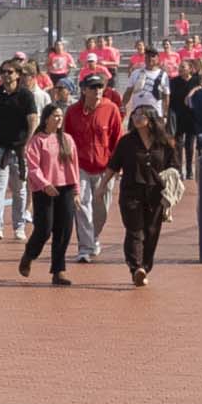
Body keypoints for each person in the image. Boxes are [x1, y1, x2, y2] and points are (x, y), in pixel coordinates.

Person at [113, 95, 177, 286]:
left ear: (150, 118)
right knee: (135, 230)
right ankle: (136, 267)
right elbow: (114, 165)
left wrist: (171, 185)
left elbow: (173, 166)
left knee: (151, 231)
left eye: (140, 114)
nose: (136, 117)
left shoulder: (164, 143)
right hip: (131, 192)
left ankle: (145, 267)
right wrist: (101, 187)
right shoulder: (126, 142)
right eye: (134, 114)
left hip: (155, 194)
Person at [18, 100, 82, 285]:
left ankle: (59, 270)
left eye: (61, 116)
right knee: (44, 229)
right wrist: (45, 184)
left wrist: (76, 191)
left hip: (66, 187)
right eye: (55, 116)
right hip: (44, 190)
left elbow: (74, 166)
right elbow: (33, 167)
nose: (59, 119)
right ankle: (29, 254)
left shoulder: (67, 140)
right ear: (46, 118)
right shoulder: (37, 141)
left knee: (64, 230)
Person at [65, 77, 124, 264]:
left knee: (102, 210)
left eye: (100, 87)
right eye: (93, 87)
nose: (98, 90)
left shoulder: (111, 109)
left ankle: (93, 237)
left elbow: (117, 138)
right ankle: (85, 247)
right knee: (81, 205)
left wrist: (117, 166)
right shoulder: (73, 111)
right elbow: (66, 140)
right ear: (84, 90)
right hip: (80, 166)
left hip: (104, 167)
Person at [0, 61, 40, 240]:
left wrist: (28, 143)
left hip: (19, 149)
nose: (6, 75)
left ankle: (19, 225)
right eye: (3, 72)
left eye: (10, 72)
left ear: (18, 75)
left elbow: (33, 120)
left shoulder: (25, 95)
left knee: (19, 189)